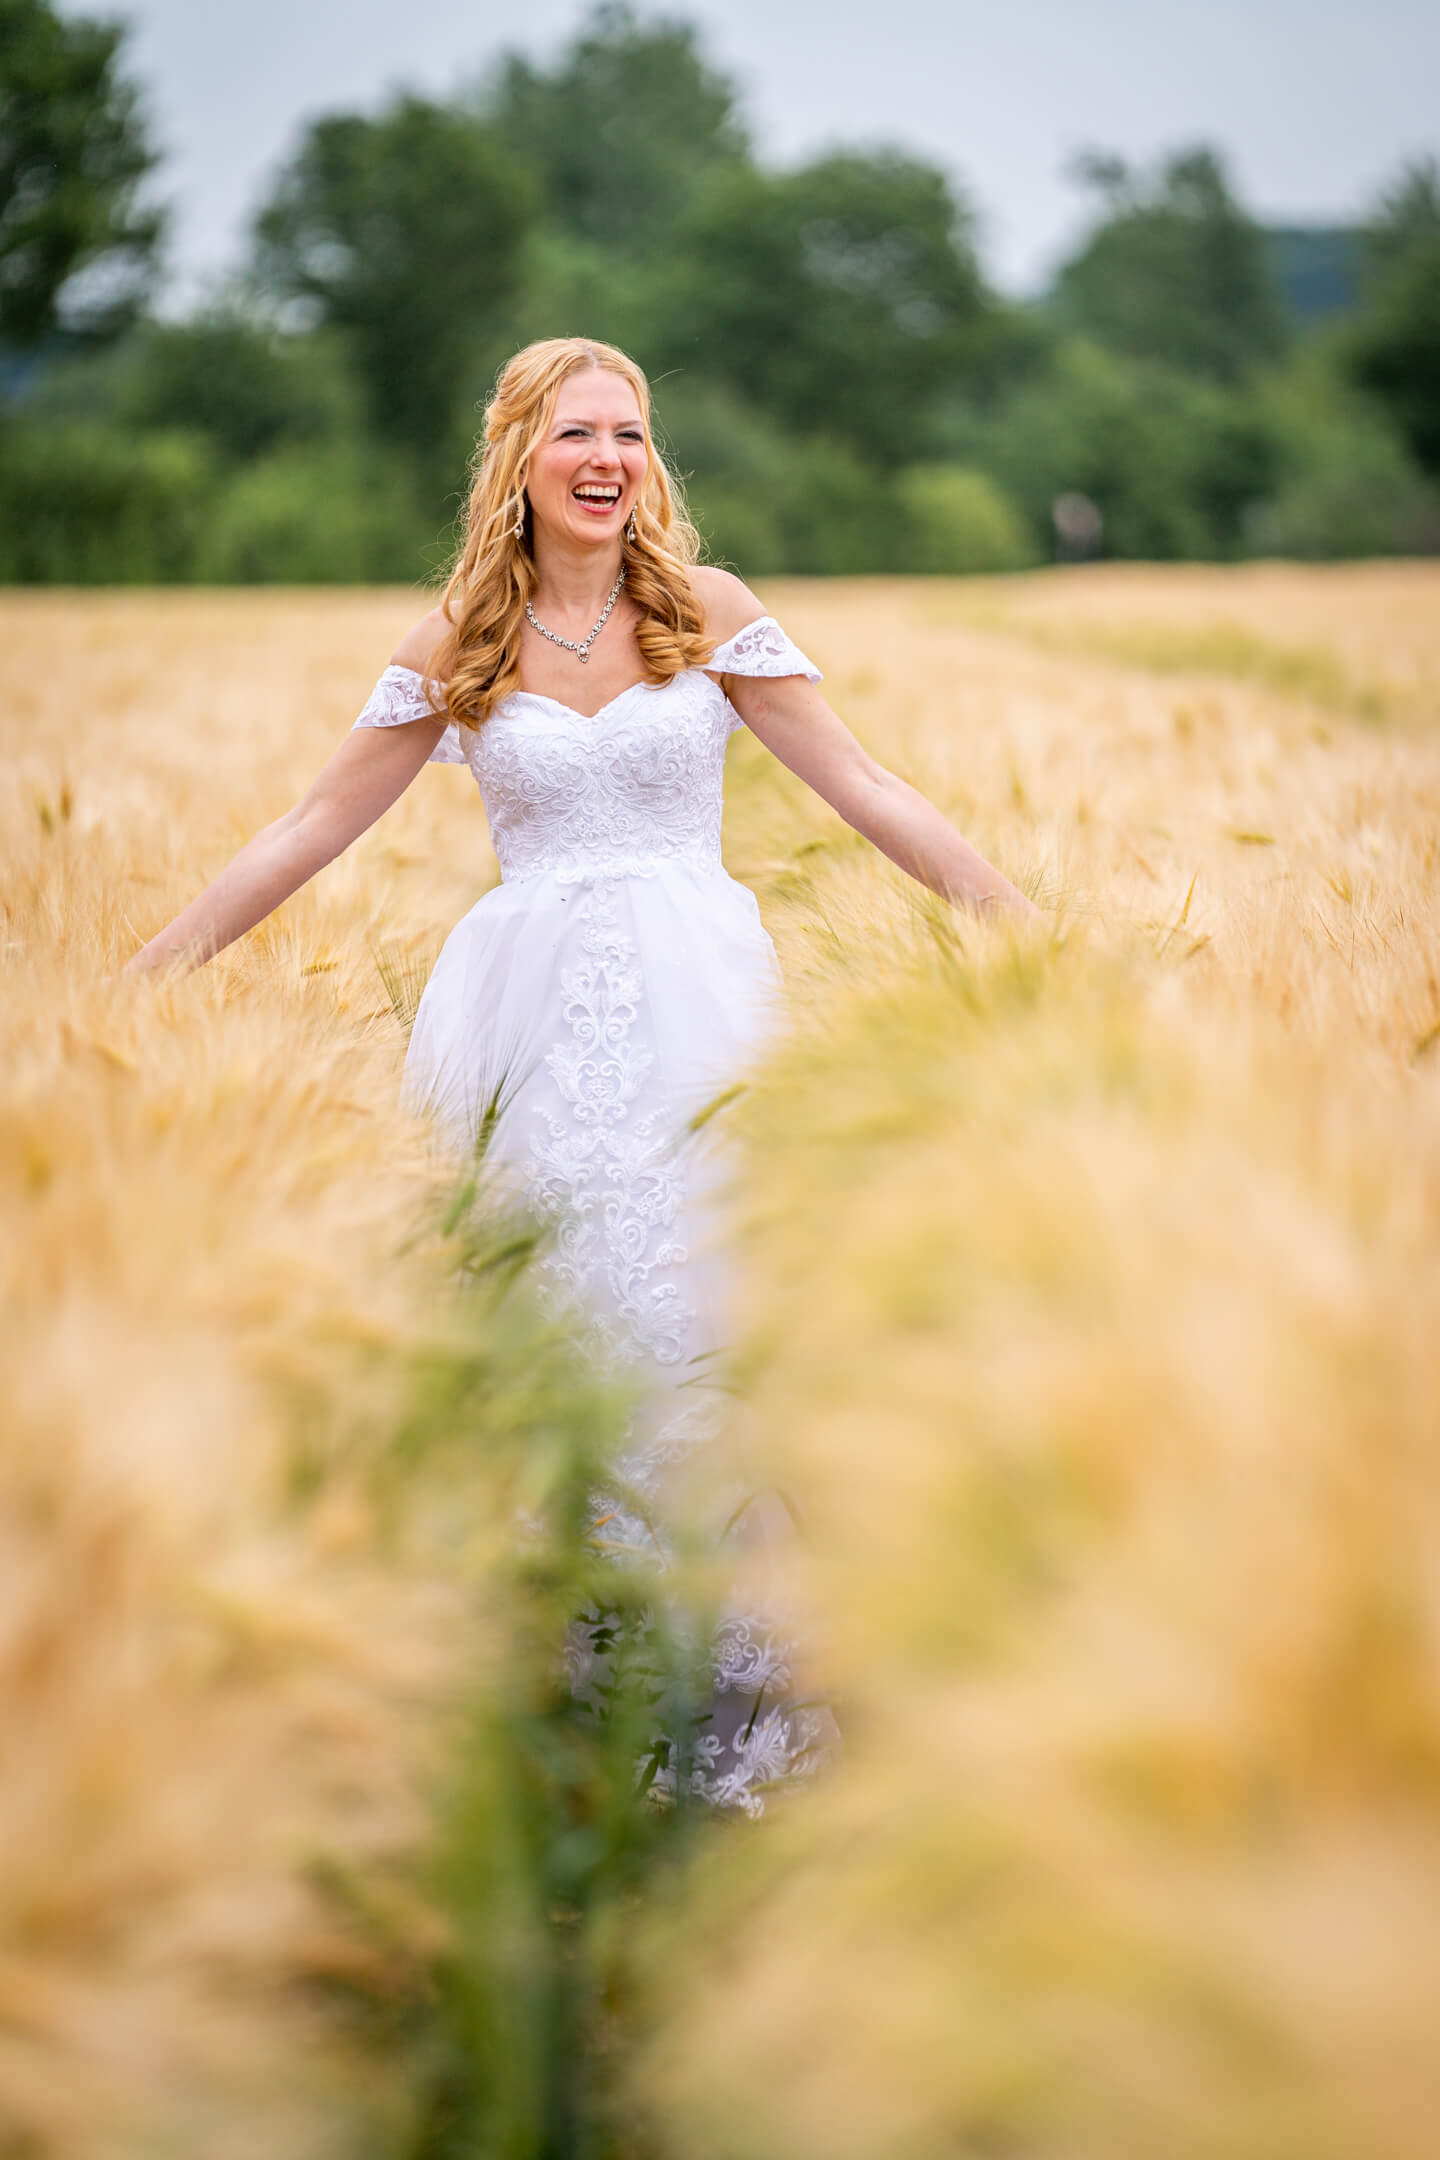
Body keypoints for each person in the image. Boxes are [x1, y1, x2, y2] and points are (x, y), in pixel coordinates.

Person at [128, 335, 1037, 1812]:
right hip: (525, 1020)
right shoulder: (459, 646)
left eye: (629, 432)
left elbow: (866, 787)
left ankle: (739, 1701)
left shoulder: (709, 614)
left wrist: (1024, 931)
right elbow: (307, 829)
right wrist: (143, 976)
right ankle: (568, 1698)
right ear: (518, 461)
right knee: (554, 1311)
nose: (609, 459)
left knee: (707, 1307)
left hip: (703, 1011)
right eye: (576, 436)